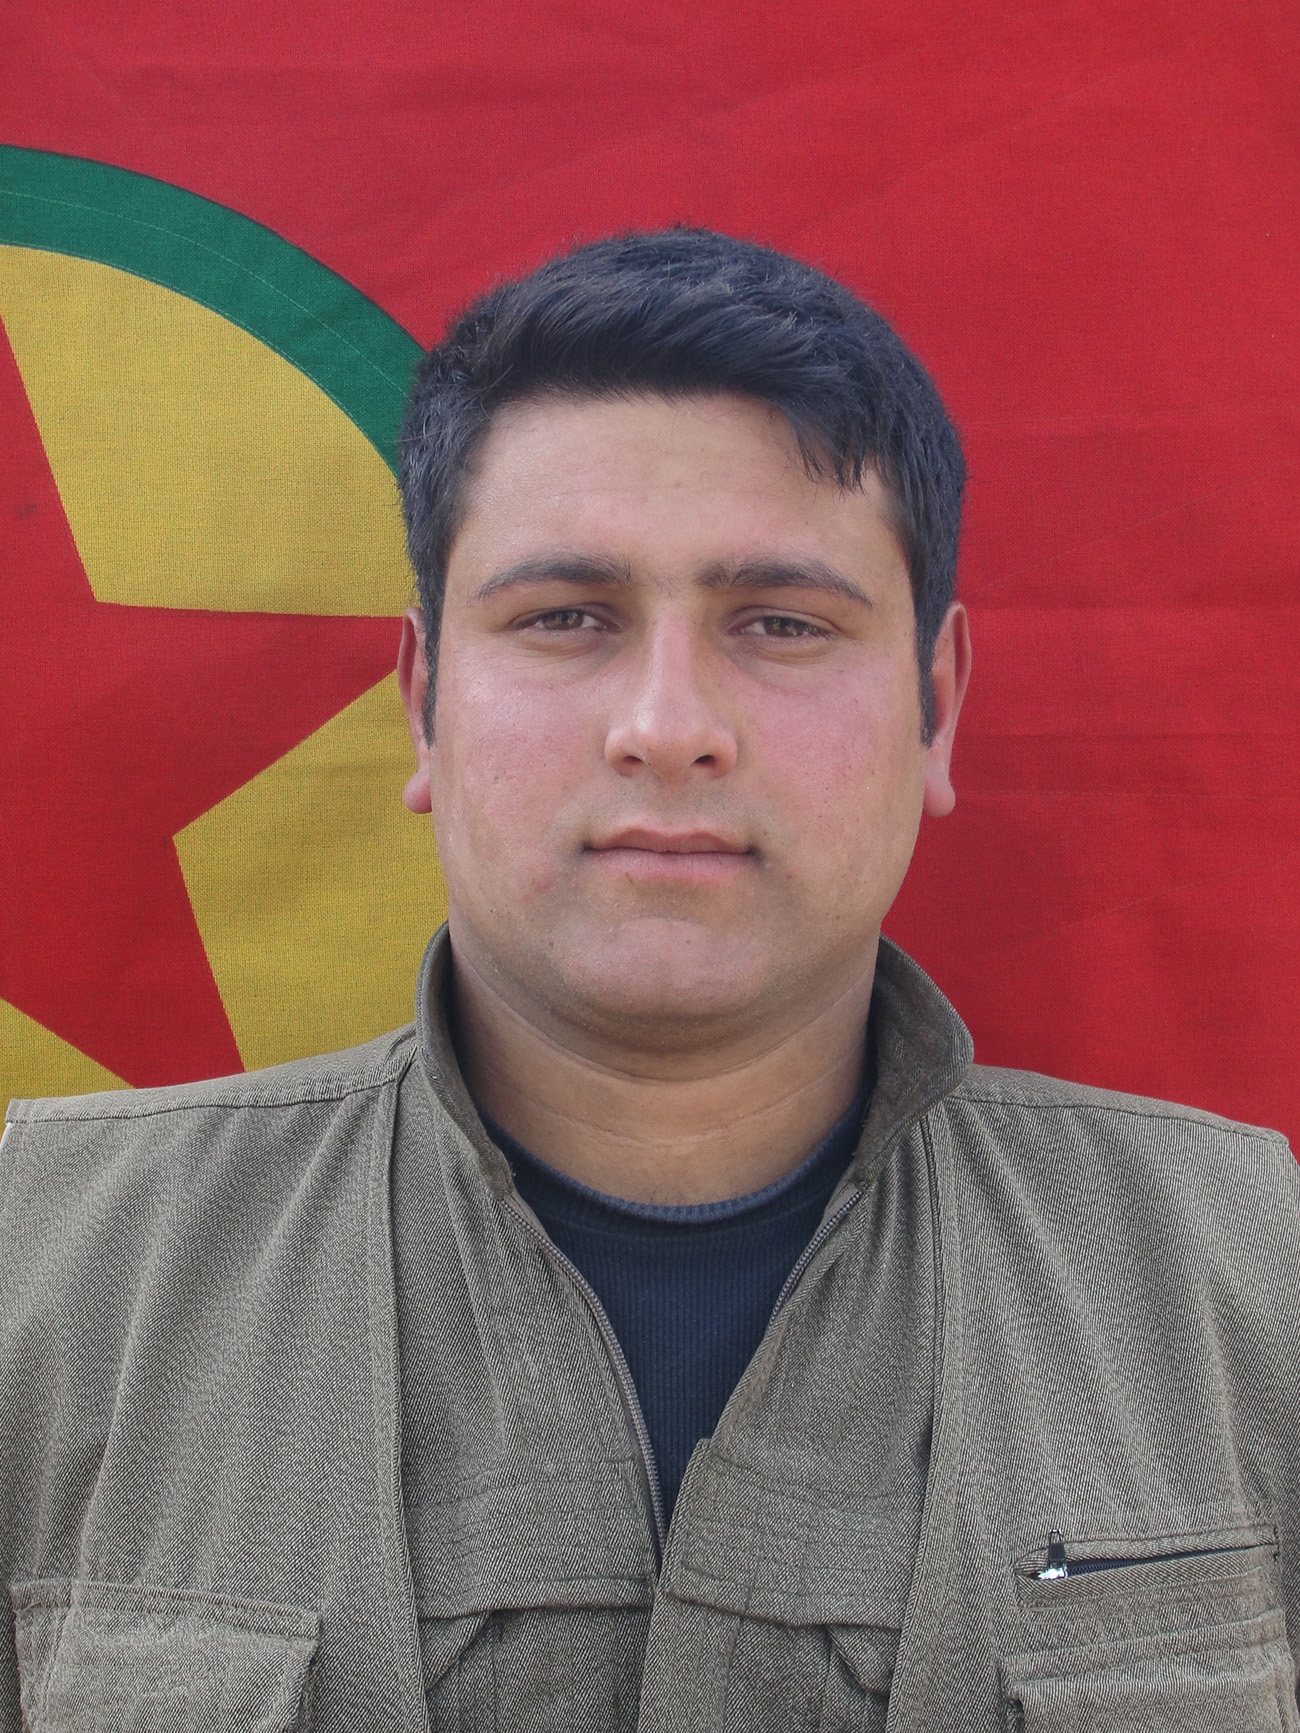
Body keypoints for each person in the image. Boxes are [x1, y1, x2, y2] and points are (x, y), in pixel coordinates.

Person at [2, 230, 1298, 1733]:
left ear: (935, 709)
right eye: (567, 616)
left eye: (782, 623)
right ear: (424, 703)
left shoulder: (1248, 1283)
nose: (668, 726)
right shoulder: (46, 1278)